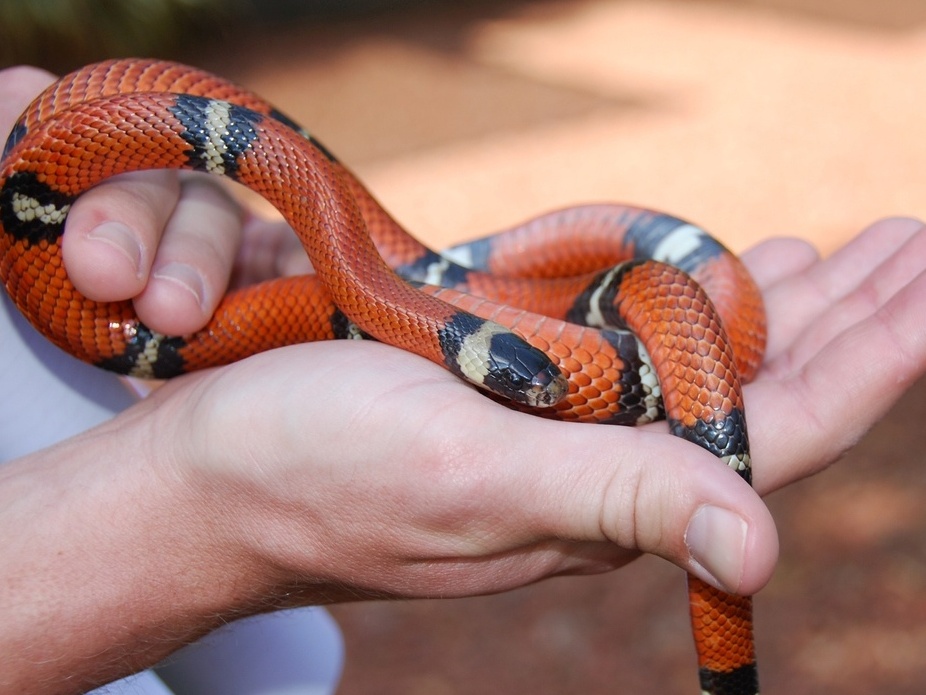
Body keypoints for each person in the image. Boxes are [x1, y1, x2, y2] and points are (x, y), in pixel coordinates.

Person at [1, 64, 925, 695]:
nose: (548, 390)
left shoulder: (387, 292)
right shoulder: (391, 300)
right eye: (524, 384)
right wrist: (197, 510)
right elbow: (379, 283)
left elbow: (382, 277)